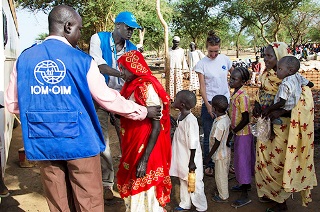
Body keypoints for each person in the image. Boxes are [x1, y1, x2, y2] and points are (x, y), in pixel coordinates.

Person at [5, 5, 161, 211]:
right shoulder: (82, 60)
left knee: (58, 199)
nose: (80, 35)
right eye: (79, 29)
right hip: (79, 142)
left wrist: (46, 114)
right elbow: (107, 98)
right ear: (68, 27)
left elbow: (13, 103)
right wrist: (143, 111)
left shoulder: (24, 59)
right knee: (88, 200)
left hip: (43, 143)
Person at [253, 42, 317, 211]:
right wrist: (257, 105)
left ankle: (281, 202)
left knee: (279, 164)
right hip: (266, 126)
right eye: (264, 55)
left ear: (280, 57)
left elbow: (302, 105)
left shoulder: (294, 80)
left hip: (285, 131)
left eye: (269, 56)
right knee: (265, 162)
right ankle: (270, 193)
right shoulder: (266, 76)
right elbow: (261, 94)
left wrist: (280, 113)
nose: (265, 59)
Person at [89, 11, 141, 199]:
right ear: (117, 25)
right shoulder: (98, 38)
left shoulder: (132, 48)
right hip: (101, 97)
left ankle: (127, 178)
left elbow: (136, 74)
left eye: (133, 30)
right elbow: (99, 66)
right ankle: (106, 183)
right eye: (128, 28)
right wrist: (121, 74)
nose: (131, 32)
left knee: (127, 139)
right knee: (103, 142)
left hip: (123, 99)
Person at [116, 50, 172, 212]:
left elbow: (156, 124)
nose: (122, 73)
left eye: (124, 69)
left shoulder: (146, 87)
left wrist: (145, 159)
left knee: (144, 183)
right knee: (133, 178)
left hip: (146, 145)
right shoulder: (129, 86)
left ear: (134, 68)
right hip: (132, 142)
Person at [195, 30, 234, 176]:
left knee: (227, 133)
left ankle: (226, 162)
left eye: (216, 51)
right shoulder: (201, 64)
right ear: (207, 48)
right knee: (209, 135)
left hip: (226, 103)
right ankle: (209, 163)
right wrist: (208, 105)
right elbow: (202, 86)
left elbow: (234, 73)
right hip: (210, 103)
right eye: (211, 51)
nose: (213, 55)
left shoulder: (224, 59)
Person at [170, 90, 208, 212]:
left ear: (182, 105)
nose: (173, 101)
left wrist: (192, 162)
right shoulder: (181, 116)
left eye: (176, 99)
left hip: (190, 159)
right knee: (183, 180)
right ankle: (185, 203)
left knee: (195, 183)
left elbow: (193, 143)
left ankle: (201, 206)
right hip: (182, 157)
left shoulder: (191, 121)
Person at [262, 56, 314, 139]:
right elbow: (310, 84)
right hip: (295, 106)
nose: (277, 72)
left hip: (285, 106)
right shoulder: (298, 76)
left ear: (290, 71)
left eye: (280, 69)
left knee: (268, 113)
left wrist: (269, 109)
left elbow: (282, 102)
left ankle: (271, 132)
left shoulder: (285, 84)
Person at [228, 67, 255, 208]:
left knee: (243, 161)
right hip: (239, 133)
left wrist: (234, 130)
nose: (230, 80)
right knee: (240, 160)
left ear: (243, 81)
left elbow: (245, 118)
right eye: (231, 77)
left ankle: (245, 195)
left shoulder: (243, 96)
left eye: (234, 79)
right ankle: (244, 185)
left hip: (243, 134)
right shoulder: (236, 94)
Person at [204, 95, 231, 203]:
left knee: (220, 176)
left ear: (214, 108)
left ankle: (223, 196)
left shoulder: (220, 124)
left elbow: (217, 142)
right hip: (225, 151)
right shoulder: (226, 118)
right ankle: (222, 190)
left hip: (220, 154)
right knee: (223, 173)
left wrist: (208, 156)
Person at [169, 36, 188, 100]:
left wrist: (185, 71)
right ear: (172, 42)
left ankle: (178, 99)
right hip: (170, 70)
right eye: (175, 42)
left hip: (178, 70)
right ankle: (171, 99)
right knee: (170, 84)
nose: (176, 44)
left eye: (177, 42)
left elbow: (183, 61)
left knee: (178, 85)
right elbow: (166, 60)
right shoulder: (168, 50)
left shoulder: (181, 51)